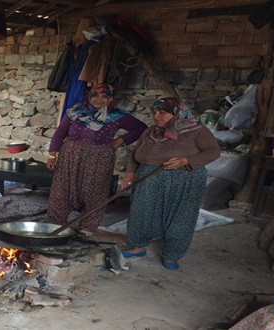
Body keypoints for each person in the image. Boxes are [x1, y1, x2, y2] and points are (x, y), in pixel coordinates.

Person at [120, 97, 220, 270]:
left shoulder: (196, 131)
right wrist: (130, 173)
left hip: (185, 179)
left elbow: (214, 152)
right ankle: (137, 247)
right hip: (149, 178)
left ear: (177, 113)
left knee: (180, 217)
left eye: (162, 113)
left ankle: (172, 254)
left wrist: (187, 160)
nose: (157, 116)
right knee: (141, 212)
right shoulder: (151, 131)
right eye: (154, 113)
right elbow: (135, 154)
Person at [46, 83, 147, 236]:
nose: (99, 100)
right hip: (70, 155)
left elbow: (141, 128)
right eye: (95, 95)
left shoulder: (117, 116)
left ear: (110, 99)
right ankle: (55, 222)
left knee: (95, 190)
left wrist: (119, 141)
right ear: (89, 97)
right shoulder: (75, 112)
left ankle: (87, 226)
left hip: (100, 157)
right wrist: (52, 155)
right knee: (62, 188)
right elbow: (60, 132)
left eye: (104, 96)